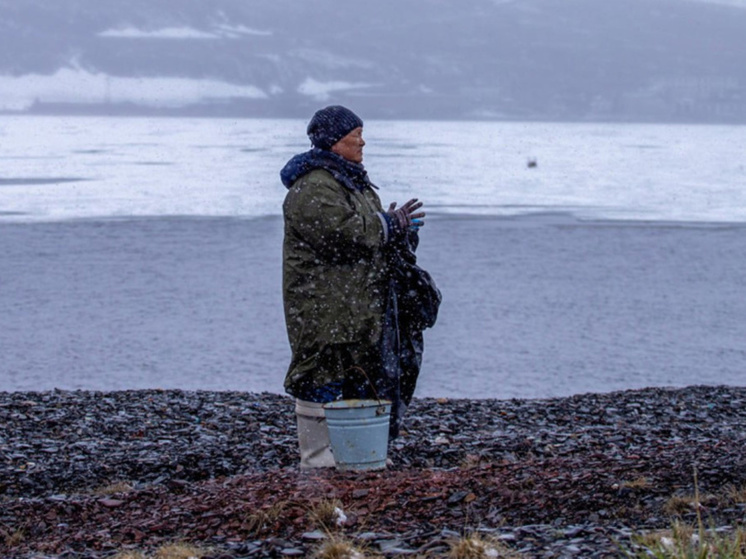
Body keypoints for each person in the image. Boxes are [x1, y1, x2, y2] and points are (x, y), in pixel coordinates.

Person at [280, 105, 440, 469]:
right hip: (322, 309)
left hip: (356, 308)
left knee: (359, 378)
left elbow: (367, 233)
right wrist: (387, 224)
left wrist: (397, 230)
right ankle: (318, 461)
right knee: (318, 377)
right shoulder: (313, 187)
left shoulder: (352, 182)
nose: (363, 142)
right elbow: (342, 235)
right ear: (335, 142)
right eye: (356, 136)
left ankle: (356, 458)